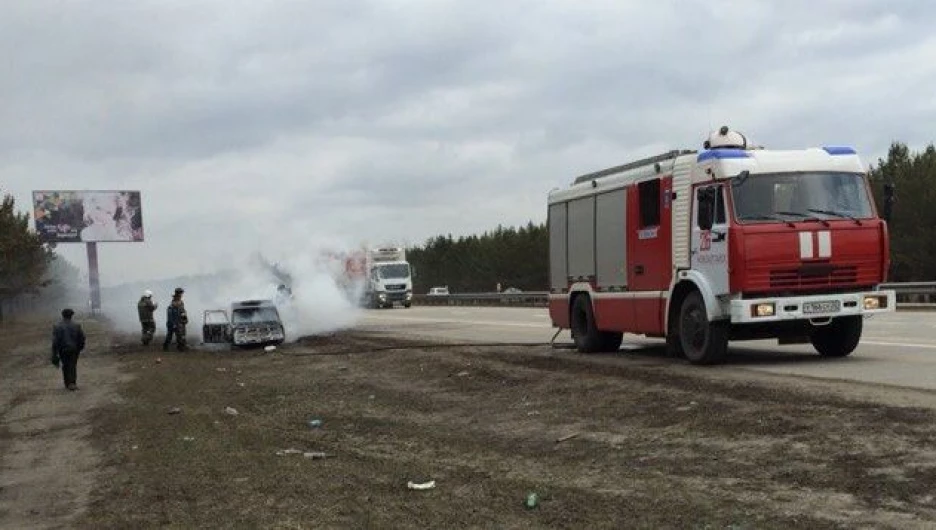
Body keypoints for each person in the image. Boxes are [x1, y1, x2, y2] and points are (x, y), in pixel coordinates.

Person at [51, 308, 86, 391]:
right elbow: (82, 338)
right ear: (71, 315)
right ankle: (72, 383)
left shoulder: (57, 326)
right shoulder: (76, 325)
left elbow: (55, 341)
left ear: (62, 315)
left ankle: (67, 383)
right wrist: (80, 347)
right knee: (72, 365)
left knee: (65, 365)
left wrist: (54, 353)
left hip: (63, 350)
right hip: (74, 349)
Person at [163, 287, 188, 352]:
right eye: (181, 293)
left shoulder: (179, 302)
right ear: (179, 294)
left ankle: (180, 346)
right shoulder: (174, 303)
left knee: (177, 334)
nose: (182, 295)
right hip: (175, 322)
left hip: (178, 321)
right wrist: (174, 323)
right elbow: (171, 314)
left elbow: (182, 311)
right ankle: (180, 348)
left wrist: (185, 318)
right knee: (177, 335)